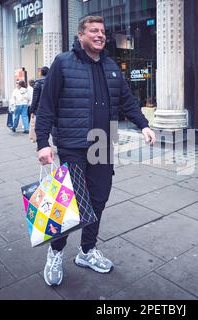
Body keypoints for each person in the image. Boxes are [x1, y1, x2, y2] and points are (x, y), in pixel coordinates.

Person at [36, 15, 156, 287]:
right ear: (81, 35)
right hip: (73, 145)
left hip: (102, 144)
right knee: (72, 204)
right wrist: (43, 143)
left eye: (102, 31)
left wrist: (144, 125)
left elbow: (126, 100)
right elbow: (47, 106)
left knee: (99, 199)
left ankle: (87, 251)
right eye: (94, 31)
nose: (100, 35)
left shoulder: (112, 67)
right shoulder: (63, 63)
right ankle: (55, 253)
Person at [29, 67, 50, 143]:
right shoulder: (52, 82)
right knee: (48, 127)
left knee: (39, 127)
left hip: (39, 109)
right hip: (50, 108)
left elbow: (35, 99)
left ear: (41, 73)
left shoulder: (37, 83)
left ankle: (41, 145)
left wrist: (31, 110)